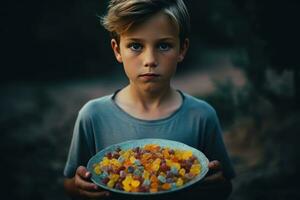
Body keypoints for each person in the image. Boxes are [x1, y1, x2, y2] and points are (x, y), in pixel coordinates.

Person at [63, 0, 235, 199]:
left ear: (182, 49)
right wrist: (80, 187)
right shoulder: (92, 116)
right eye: (136, 45)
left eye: (164, 45)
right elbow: (70, 184)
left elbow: (225, 186)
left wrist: (216, 185)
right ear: (117, 50)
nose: (150, 60)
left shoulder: (202, 116)